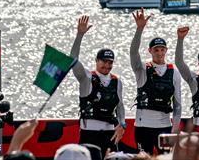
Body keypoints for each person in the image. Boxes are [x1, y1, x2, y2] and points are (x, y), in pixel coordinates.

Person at [70, 15, 127, 155]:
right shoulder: (87, 78)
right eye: (104, 61)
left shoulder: (116, 81)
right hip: (89, 133)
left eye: (110, 62)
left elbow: (120, 106)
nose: (107, 65)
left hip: (110, 134)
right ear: (96, 61)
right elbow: (72, 60)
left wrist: (122, 124)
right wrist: (80, 35)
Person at [129, 9, 182, 154]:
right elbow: (133, 53)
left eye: (162, 49)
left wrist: (175, 130)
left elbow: (178, 105)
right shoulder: (141, 70)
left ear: (166, 50)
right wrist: (139, 29)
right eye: (156, 50)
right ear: (150, 51)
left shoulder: (174, 72)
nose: (159, 53)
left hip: (164, 127)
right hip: (142, 127)